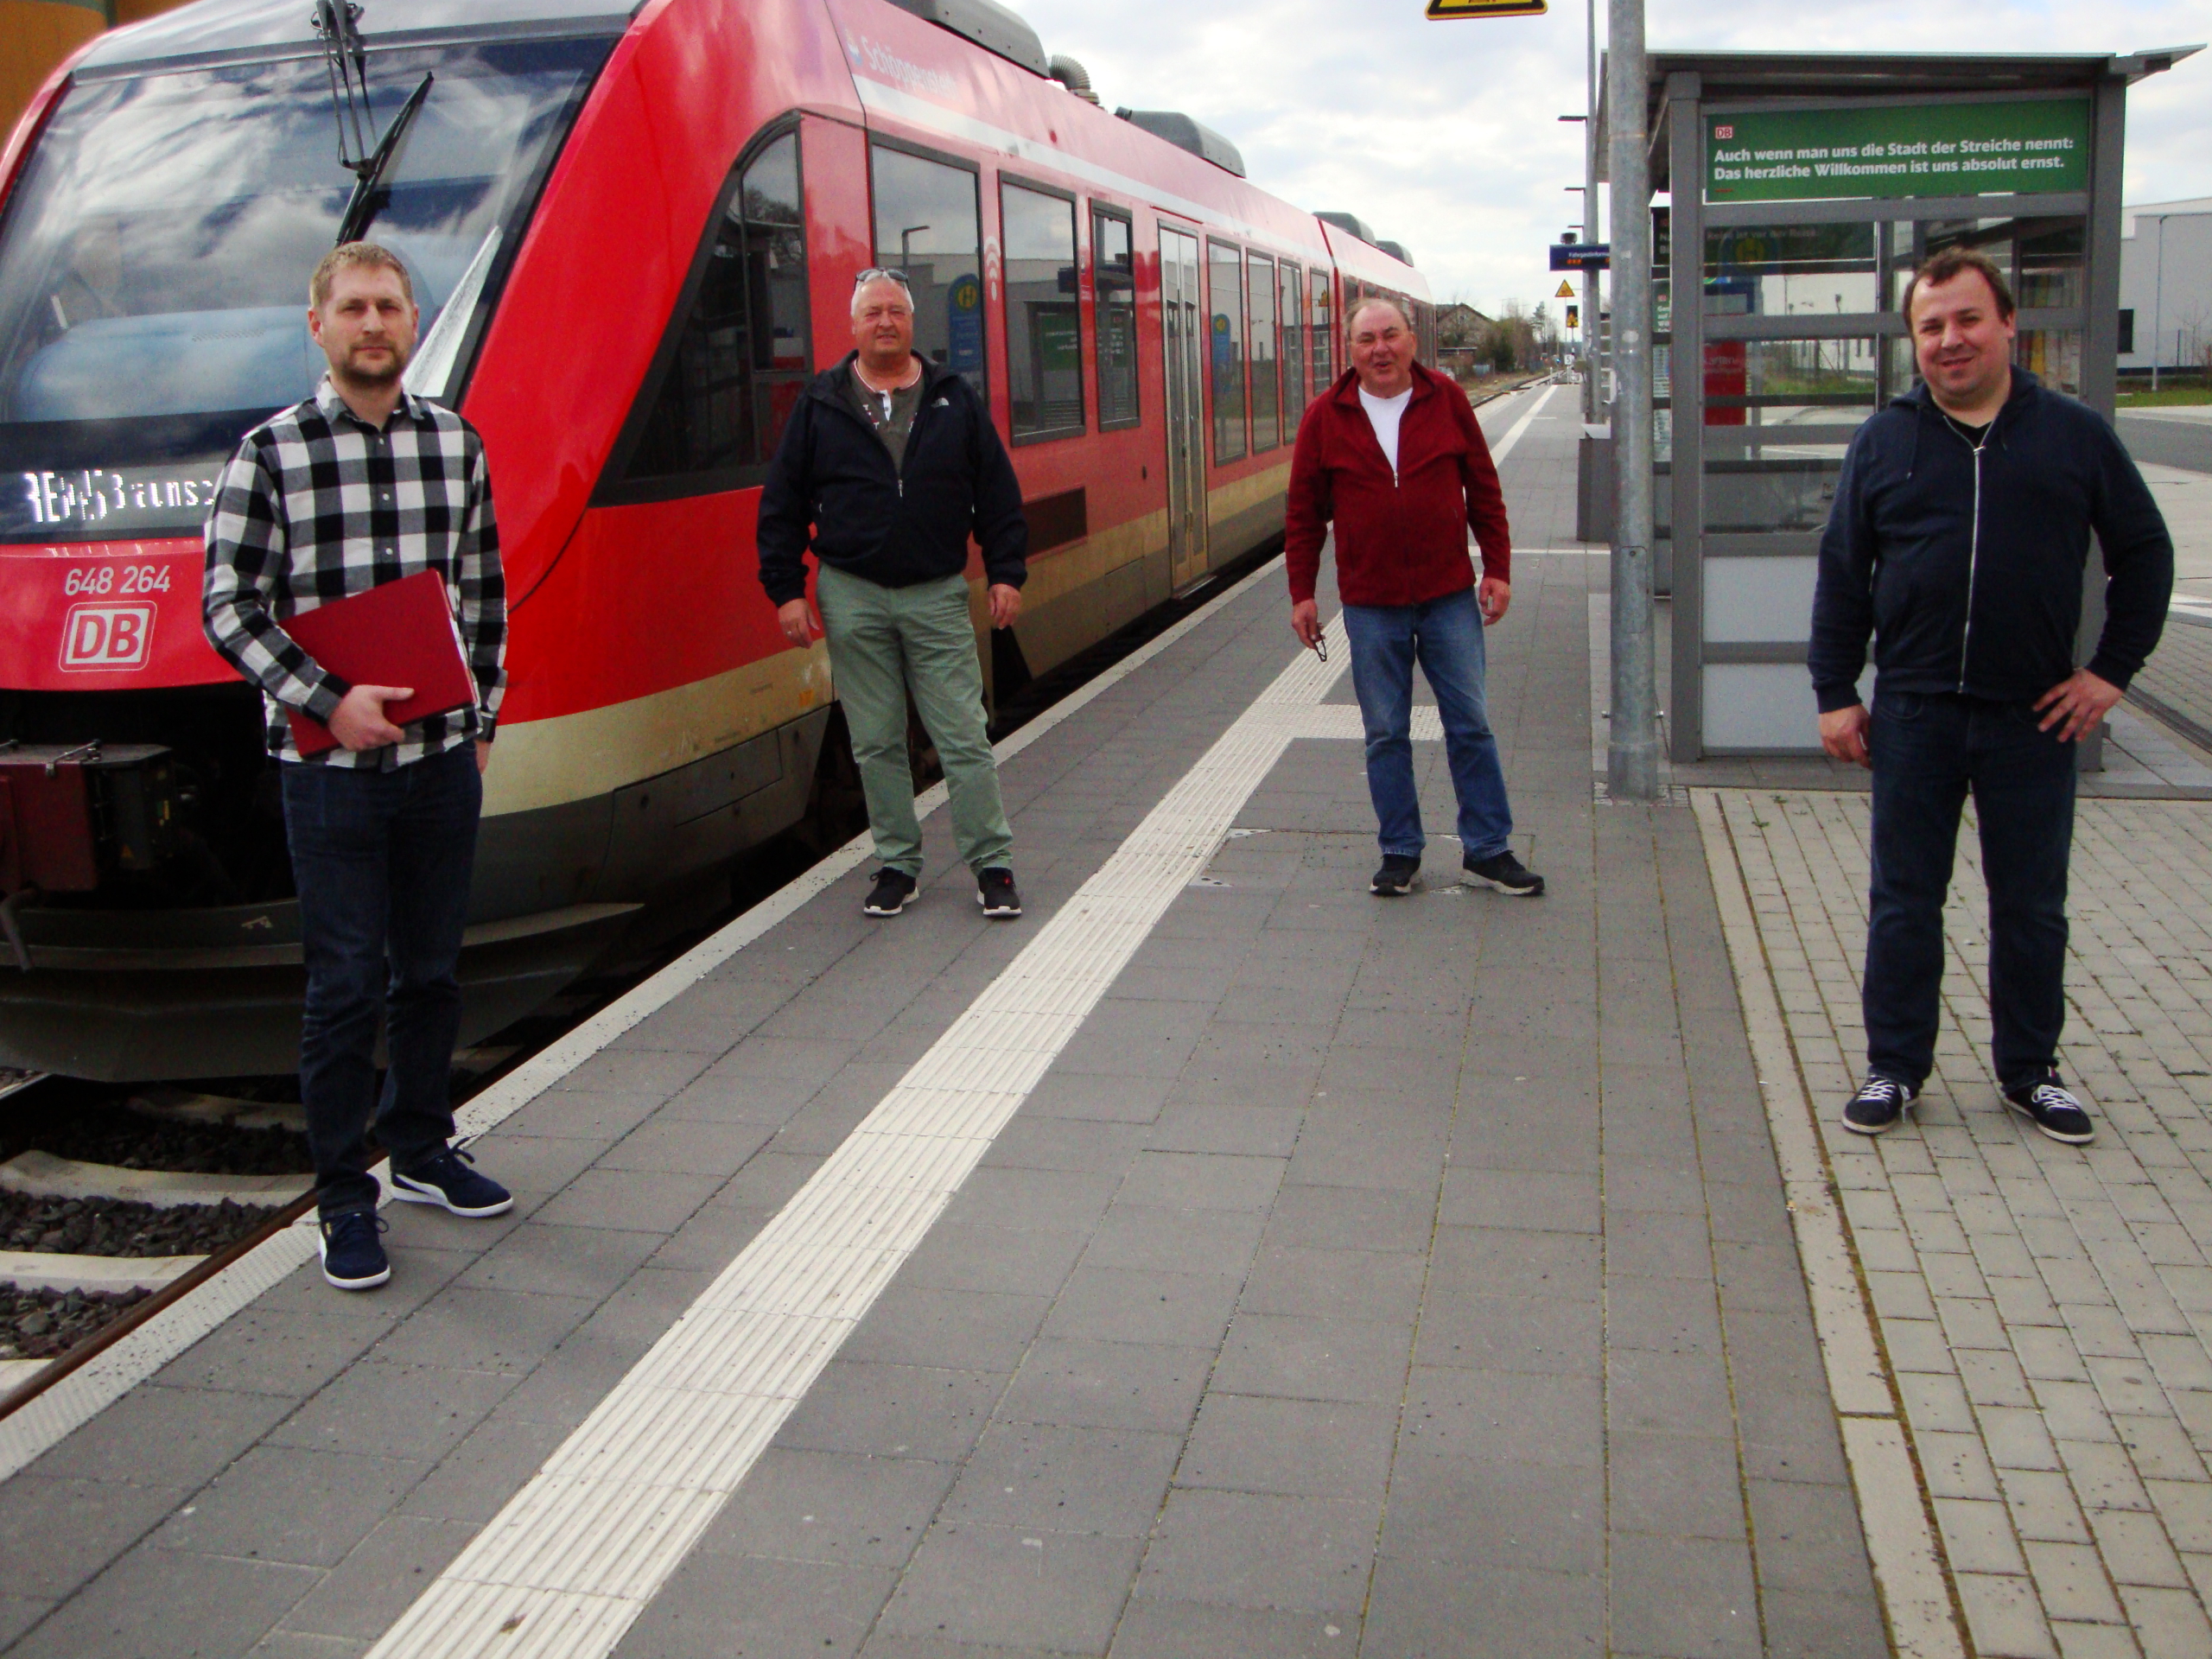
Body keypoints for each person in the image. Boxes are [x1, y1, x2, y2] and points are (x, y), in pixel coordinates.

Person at [1809, 245, 2173, 1146]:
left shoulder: (2072, 435)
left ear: (2008, 324)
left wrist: (2108, 675)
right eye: (1930, 327)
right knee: (1903, 899)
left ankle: (2029, 1072)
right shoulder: (1885, 440)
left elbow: (2146, 555)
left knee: (2030, 904)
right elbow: (1843, 572)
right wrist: (1833, 690)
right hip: (1915, 712)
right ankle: (1894, 1066)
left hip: (2032, 716)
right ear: (1913, 342)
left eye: (1967, 319)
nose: (1949, 340)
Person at [204, 241, 512, 1292]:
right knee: (344, 986)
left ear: (411, 322)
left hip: (438, 763)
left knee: (430, 971)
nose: (372, 323)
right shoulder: (270, 454)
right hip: (327, 774)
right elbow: (227, 607)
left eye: (388, 306)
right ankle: (344, 1196)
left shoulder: (456, 444)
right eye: (353, 308)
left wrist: (484, 708)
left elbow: (482, 588)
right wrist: (327, 699)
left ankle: (423, 1148)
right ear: (319, 326)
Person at [758, 268, 1027, 919]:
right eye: (873, 312)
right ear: (853, 326)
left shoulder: (952, 399)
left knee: (962, 732)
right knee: (875, 740)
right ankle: (897, 865)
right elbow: (783, 504)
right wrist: (786, 591)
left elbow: (995, 492)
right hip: (852, 592)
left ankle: (992, 864)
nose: (885, 322)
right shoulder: (821, 403)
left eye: (897, 312)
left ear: (912, 323)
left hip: (934, 591)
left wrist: (1005, 571)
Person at [1285, 295, 1542, 899]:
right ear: (1349, 351)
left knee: (1471, 726)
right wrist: (1303, 594)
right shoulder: (1326, 416)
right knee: (1385, 733)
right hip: (1371, 604)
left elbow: (1484, 489)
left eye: (1391, 335)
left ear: (1411, 341)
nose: (1380, 348)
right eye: (1367, 339)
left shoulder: (1445, 400)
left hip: (1448, 595)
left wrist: (1497, 569)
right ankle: (1399, 851)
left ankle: (1487, 850)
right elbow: (1302, 517)